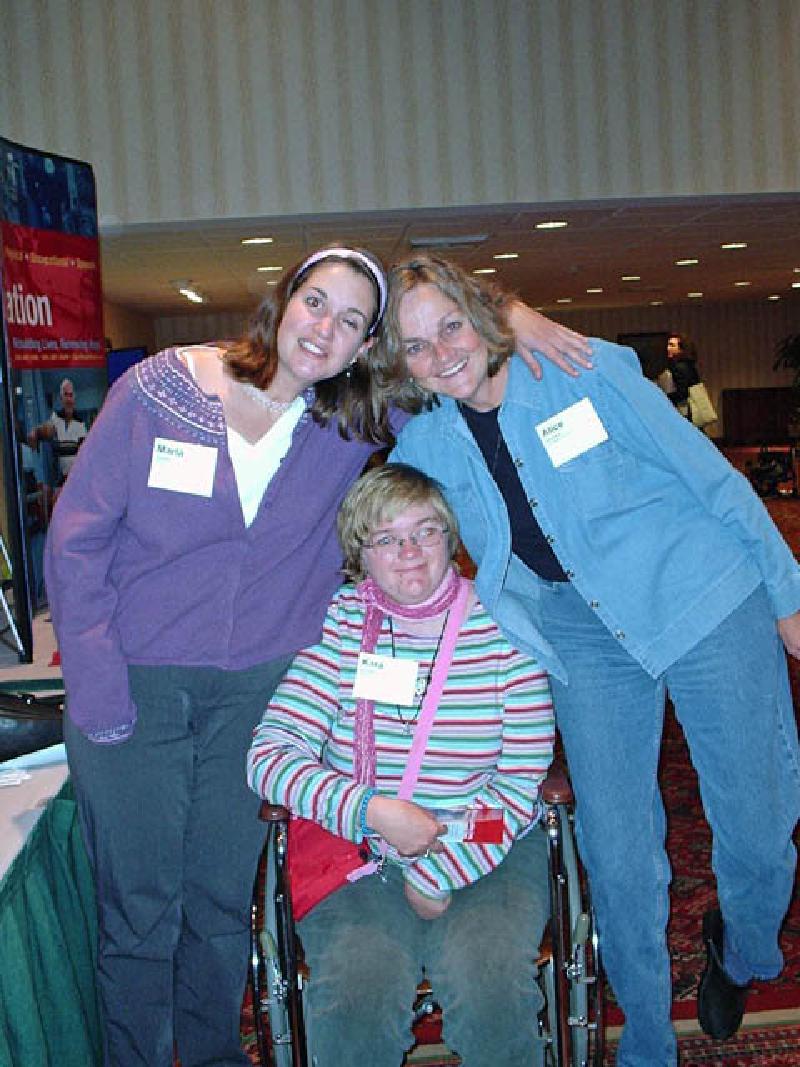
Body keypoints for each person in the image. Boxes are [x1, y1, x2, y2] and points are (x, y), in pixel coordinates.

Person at [43, 243, 587, 1066]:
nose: (326, 327)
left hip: (255, 692)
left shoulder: (347, 423)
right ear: (284, 299)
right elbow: (76, 542)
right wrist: (96, 688)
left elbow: (447, 362)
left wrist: (505, 313)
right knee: (141, 912)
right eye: (317, 302)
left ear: (365, 346)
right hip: (134, 686)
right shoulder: (158, 390)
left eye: (352, 322)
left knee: (222, 902)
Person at [375, 254, 800, 1067]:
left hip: (704, 595)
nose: (442, 355)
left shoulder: (582, 369)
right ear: (402, 364)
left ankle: (741, 948)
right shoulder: (425, 439)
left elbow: (707, 476)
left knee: (760, 817)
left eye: (452, 326)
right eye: (417, 347)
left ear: (483, 316)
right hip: (580, 631)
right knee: (614, 844)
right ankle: (646, 1038)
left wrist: (786, 592)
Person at [247, 463, 555, 1066]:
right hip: (362, 853)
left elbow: (520, 778)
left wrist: (441, 869)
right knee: (357, 993)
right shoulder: (338, 628)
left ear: (451, 536)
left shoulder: (503, 625)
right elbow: (269, 755)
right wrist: (371, 810)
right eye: (387, 538)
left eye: (426, 531)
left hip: (487, 846)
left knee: (489, 983)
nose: (409, 551)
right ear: (361, 554)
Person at [29, 377, 88, 482]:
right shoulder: (55, 418)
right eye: (66, 395)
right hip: (60, 478)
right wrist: (35, 432)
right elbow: (44, 430)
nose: (69, 399)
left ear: (74, 398)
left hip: (76, 477)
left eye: (71, 395)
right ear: (61, 398)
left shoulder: (81, 424)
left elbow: (84, 455)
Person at [660, 332, 700, 418]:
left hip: (684, 410)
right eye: (668, 345)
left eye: (672, 345)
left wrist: (663, 396)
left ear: (681, 349)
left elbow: (682, 393)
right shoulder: (689, 365)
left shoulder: (679, 367)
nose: (668, 348)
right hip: (691, 409)